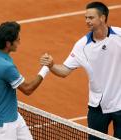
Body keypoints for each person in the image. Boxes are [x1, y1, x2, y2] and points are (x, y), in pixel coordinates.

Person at [40, 1, 121, 139]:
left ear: (102, 18)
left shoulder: (119, 35)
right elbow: (65, 70)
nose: (87, 21)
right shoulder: (82, 46)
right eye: (86, 18)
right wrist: (52, 65)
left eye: (91, 17)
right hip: (97, 108)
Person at [0, 21, 49, 140]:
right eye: (17, 40)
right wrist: (46, 68)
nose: (19, 42)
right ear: (8, 43)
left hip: (13, 116)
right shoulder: (6, 66)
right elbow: (28, 89)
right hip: (1, 126)